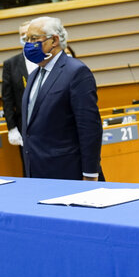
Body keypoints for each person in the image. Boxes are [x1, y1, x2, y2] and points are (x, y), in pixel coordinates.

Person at [21, 16, 103, 180]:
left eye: (34, 39)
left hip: (69, 173)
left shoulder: (76, 72)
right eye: (26, 40)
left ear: (54, 41)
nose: (28, 45)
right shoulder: (33, 76)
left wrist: (90, 173)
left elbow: (89, 127)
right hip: (37, 173)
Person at [2, 22, 36, 156]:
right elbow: (7, 99)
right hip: (24, 125)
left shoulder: (46, 58)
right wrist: (11, 128)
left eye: (27, 34)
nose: (24, 37)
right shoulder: (11, 64)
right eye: (22, 35)